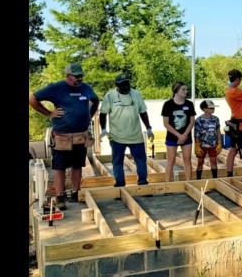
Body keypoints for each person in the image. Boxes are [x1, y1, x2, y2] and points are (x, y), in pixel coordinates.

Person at [29, 63, 100, 209]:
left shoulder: (85, 88)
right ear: (68, 76)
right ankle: (60, 197)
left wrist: (89, 116)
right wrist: (49, 113)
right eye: (76, 76)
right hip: (62, 137)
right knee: (59, 167)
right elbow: (32, 99)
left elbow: (96, 100)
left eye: (81, 75)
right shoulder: (57, 88)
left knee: (77, 165)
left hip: (80, 135)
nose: (80, 78)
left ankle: (75, 193)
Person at [98, 73, 153, 187]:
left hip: (135, 136)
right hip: (116, 137)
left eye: (127, 84)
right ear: (117, 85)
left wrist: (148, 128)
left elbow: (143, 112)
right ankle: (120, 184)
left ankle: (143, 183)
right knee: (117, 162)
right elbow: (103, 113)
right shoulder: (110, 96)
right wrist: (103, 128)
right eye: (122, 85)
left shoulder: (136, 94)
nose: (125, 87)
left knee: (141, 161)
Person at [162, 82, 196, 182]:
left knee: (187, 159)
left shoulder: (189, 104)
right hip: (172, 137)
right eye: (183, 89)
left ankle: (189, 182)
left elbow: (191, 122)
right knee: (171, 161)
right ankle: (168, 184)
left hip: (186, 137)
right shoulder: (168, 104)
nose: (186, 91)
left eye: (186, 89)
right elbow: (166, 123)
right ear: (176, 90)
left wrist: (184, 136)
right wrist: (178, 136)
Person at [194, 100, 222, 178]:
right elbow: (196, 133)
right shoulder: (199, 120)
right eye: (211, 108)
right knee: (200, 162)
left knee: (213, 161)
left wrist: (219, 143)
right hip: (202, 144)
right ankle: (198, 179)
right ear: (204, 109)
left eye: (213, 108)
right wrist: (197, 145)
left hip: (213, 144)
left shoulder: (215, 119)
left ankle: (215, 178)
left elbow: (218, 131)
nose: (213, 109)